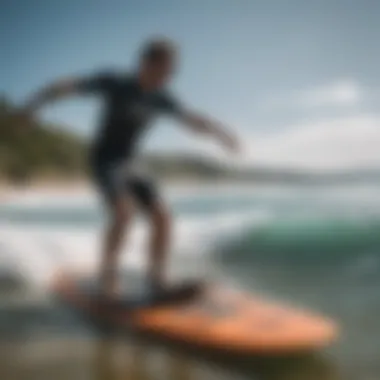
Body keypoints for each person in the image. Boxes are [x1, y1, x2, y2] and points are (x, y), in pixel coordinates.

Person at [19, 38, 240, 299]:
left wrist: (221, 134)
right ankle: (108, 275)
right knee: (124, 213)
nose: (168, 77)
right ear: (145, 64)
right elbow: (67, 86)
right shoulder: (117, 83)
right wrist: (32, 106)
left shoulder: (162, 98)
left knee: (162, 217)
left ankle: (157, 280)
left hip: (132, 162)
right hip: (106, 159)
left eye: (172, 72)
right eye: (164, 70)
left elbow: (191, 120)